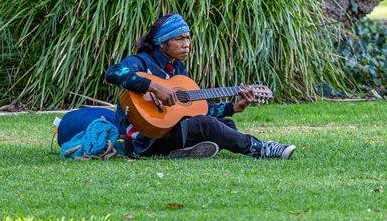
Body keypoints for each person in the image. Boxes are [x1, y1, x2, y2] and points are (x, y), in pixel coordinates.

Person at [103, 13, 295, 160]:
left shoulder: (178, 70)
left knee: (226, 124)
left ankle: (181, 153)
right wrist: (153, 87)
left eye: (188, 38)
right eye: (180, 39)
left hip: (168, 134)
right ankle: (260, 148)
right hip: (143, 141)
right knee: (206, 125)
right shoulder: (141, 62)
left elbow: (196, 110)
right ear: (162, 44)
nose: (187, 44)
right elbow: (112, 73)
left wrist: (232, 107)